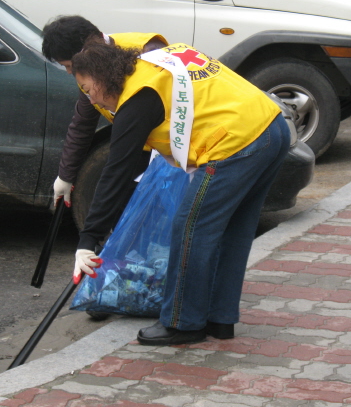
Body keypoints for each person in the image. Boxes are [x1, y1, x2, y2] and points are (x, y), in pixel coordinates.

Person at [70, 40, 291, 346]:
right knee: (233, 231)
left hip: (236, 143)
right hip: (270, 125)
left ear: (103, 76)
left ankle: (183, 324)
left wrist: (88, 239)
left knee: (191, 229)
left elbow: (116, 171)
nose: (90, 98)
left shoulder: (138, 98)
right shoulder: (149, 65)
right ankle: (219, 319)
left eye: (87, 88)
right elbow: (131, 161)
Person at [41, 15, 168, 210]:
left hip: (174, 149)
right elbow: (82, 124)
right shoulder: (90, 71)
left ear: (85, 54)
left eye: (68, 66)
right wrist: (65, 176)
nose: (69, 72)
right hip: (140, 147)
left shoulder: (148, 52)